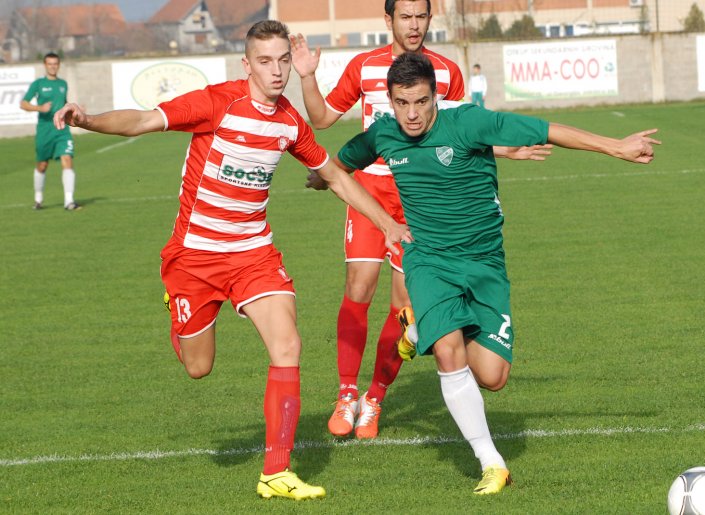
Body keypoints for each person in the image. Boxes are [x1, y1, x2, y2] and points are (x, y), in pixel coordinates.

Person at [54, 20, 410, 502]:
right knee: (198, 368)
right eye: (266, 61)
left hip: (253, 254)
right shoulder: (215, 103)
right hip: (195, 258)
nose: (278, 70)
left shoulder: (289, 122)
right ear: (247, 64)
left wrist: (386, 223)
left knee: (288, 345)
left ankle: (275, 472)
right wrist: (87, 119)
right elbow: (141, 121)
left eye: (284, 59)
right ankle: (178, 311)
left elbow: (335, 176)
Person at [333, 51, 661, 495]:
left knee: (492, 377)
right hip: (427, 260)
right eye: (401, 103)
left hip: (485, 264)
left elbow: (548, 131)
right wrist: (337, 188)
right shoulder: (383, 133)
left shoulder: (470, 122)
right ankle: (492, 462)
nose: (411, 113)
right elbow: (338, 166)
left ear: (436, 97)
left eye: (421, 102)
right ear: (389, 101)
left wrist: (616, 146)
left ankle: (416, 332)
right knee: (450, 352)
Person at [290, 0, 544, 440]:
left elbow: (462, 132)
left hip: (423, 197)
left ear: (430, 19)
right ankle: (346, 392)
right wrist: (308, 76)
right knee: (358, 284)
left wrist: (505, 149)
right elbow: (322, 118)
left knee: (402, 302)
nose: (412, 24)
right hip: (370, 190)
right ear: (387, 20)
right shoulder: (364, 66)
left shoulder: (447, 71)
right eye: (404, 16)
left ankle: (374, 398)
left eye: (420, 16)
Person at [20, 52, 81, 211]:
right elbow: (23, 103)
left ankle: (69, 201)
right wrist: (39, 108)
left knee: (67, 160)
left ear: (59, 65)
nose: (53, 66)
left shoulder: (63, 84)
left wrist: (74, 110)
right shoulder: (38, 84)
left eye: (56, 63)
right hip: (44, 130)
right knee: (42, 165)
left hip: (62, 130)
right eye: (50, 64)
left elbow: (64, 103)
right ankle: (38, 199)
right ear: (45, 65)